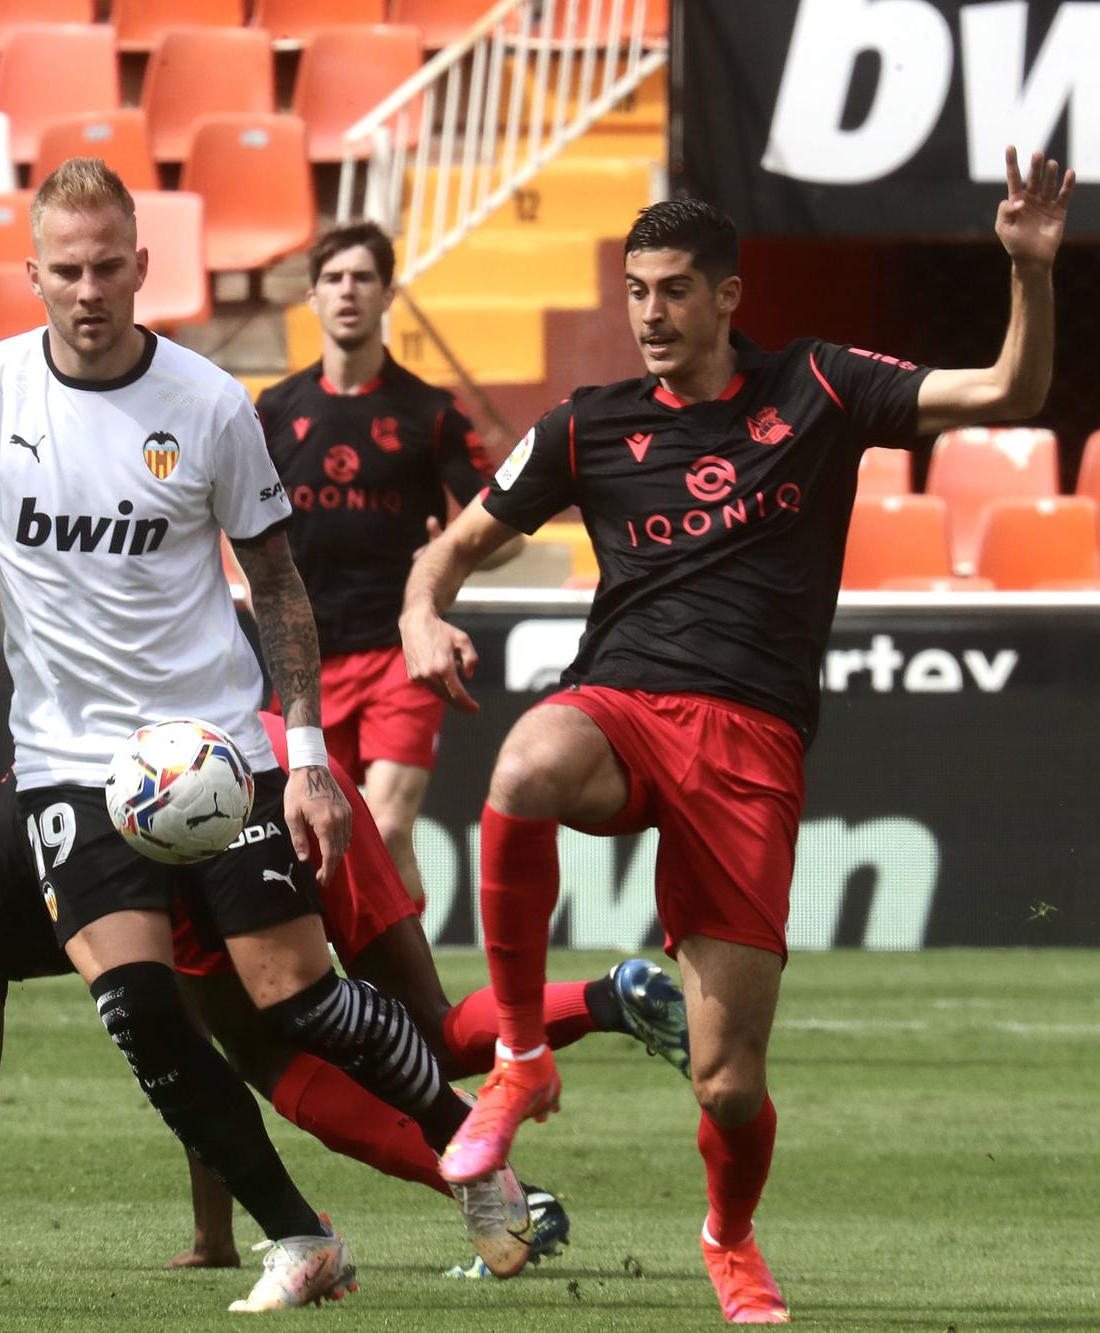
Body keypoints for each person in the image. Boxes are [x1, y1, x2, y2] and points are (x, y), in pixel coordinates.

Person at [0, 157, 488, 1313]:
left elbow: (277, 589)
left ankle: (472, 1151)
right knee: (137, 1009)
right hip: (69, 765)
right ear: (30, 274)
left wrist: (302, 753)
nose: (87, 290)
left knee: (295, 997)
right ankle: (298, 1236)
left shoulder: (207, 405)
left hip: (213, 752)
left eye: (107, 268)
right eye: (65, 271)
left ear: (142, 267)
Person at [398, 150, 1073, 1325]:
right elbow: (444, 554)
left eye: (670, 290)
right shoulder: (584, 424)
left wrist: (1025, 271)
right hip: (622, 706)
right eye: (634, 290)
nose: (648, 314)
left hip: (751, 744)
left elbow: (1007, 396)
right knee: (523, 762)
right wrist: (420, 617)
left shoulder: (816, 386)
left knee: (724, 1083)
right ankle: (519, 1055)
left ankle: (728, 1237)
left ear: (725, 296)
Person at [0, 712, 694, 1275]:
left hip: (193, 804)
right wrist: (210, 1240)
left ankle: (508, 1191)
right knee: (427, 1023)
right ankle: (607, 998)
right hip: (271, 753)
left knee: (264, 1052)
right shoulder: (28, 804)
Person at [257, 223, 520, 909]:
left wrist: (451, 550)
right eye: (335, 278)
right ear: (312, 296)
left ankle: (411, 1003)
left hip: (397, 652)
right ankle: (360, 996)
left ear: (387, 294)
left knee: (383, 823)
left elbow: (510, 531)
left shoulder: (431, 413)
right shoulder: (275, 411)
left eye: (363, 278)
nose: (349, 290)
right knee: (311, 837)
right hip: (303, 660)